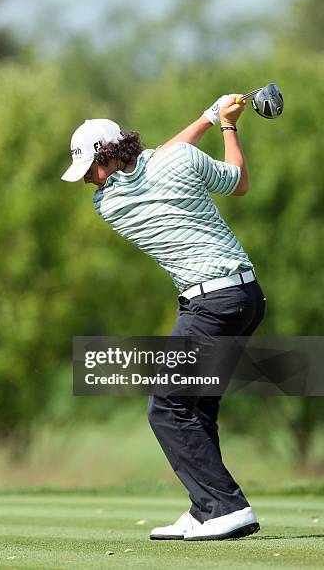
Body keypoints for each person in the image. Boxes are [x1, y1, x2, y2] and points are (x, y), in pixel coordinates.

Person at [61, 95, 266, 541]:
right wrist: (225, 125)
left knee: (167, 407)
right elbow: (236, 181)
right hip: (244, 297)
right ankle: (207, 507)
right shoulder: (167, 168)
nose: (88, 183)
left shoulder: (111, 205)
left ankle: (227, 508)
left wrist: (209, 120)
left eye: (91, 170)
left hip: (210, 304)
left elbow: (163, 160)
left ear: (110, 157)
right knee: (195, 405)